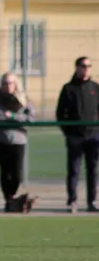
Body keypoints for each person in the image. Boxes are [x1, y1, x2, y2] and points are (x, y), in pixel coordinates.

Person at [56, 56, 99, 213]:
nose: (86, 68)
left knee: (93, 170)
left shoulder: (95, 87)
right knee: (74, 170)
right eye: (83, 65)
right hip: (75, 137)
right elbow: (60, 113)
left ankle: (92, 201)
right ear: (77, 67)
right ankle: (72, 201)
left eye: (89, 66)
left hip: (93, 136)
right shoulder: (68, 89)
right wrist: (68, 133)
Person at [0, 72, 36, 213]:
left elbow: (31, 118)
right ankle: (9, 200)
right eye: (5, 83)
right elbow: (0, 116)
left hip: (19, 140)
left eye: (10, 82)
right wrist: (18, 118)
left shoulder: (24, 98)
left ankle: (13, 197)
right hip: (1, 140)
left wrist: (12, 115)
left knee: (17, 173)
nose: (7, 86)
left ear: (16, 84)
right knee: (5, 172)